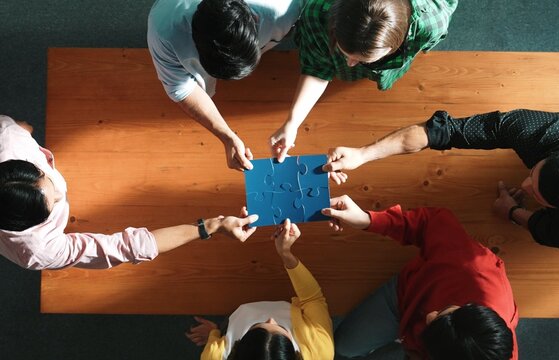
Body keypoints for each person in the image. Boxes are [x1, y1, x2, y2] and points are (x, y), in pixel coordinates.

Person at [322, 107, 559, 257]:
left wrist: (513, 213)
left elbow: (548, 230)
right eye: (533, 175)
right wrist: (363, 154)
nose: (525, 186)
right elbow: (442, 132)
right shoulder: (544, 128)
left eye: (538, 195)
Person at [0, 115, 258, 270]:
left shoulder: (8, 138)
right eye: (49, 206)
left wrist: (20, 132)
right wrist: (212, 226)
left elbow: (11, 129)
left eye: (44, 176)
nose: (58, 193)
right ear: (24, 225)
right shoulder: (37, 249)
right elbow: (124, 248)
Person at [320, 195, 518, 359]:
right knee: (341, 350)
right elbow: (429, 222)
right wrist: (368, 220)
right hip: (405, 296)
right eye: (443, 311)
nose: (430, 315)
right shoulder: (470, 266)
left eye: (433, 321)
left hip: (428, 348)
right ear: (469, 306)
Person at [269, 0, 458, 162]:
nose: (351, 64)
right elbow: (317, 67)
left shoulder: (432, 23)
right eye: (345, 53)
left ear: (397, 43)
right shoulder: (316, 13)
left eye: (362, 59)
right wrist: (292, 122)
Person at [147, 0, 304, 171]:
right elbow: (181, 88)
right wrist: (227, 136)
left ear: (255, 18)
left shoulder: (285, 7)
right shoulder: (163, 30)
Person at [186, 219, 334, 360]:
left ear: (237, 349)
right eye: (281, 327)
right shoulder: (320, 351)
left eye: (254, 327)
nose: (271, 319)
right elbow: (312, 298)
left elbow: (214, 346)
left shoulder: (214, 356)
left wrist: (214, 333)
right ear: (296, 355)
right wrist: (286, 254)